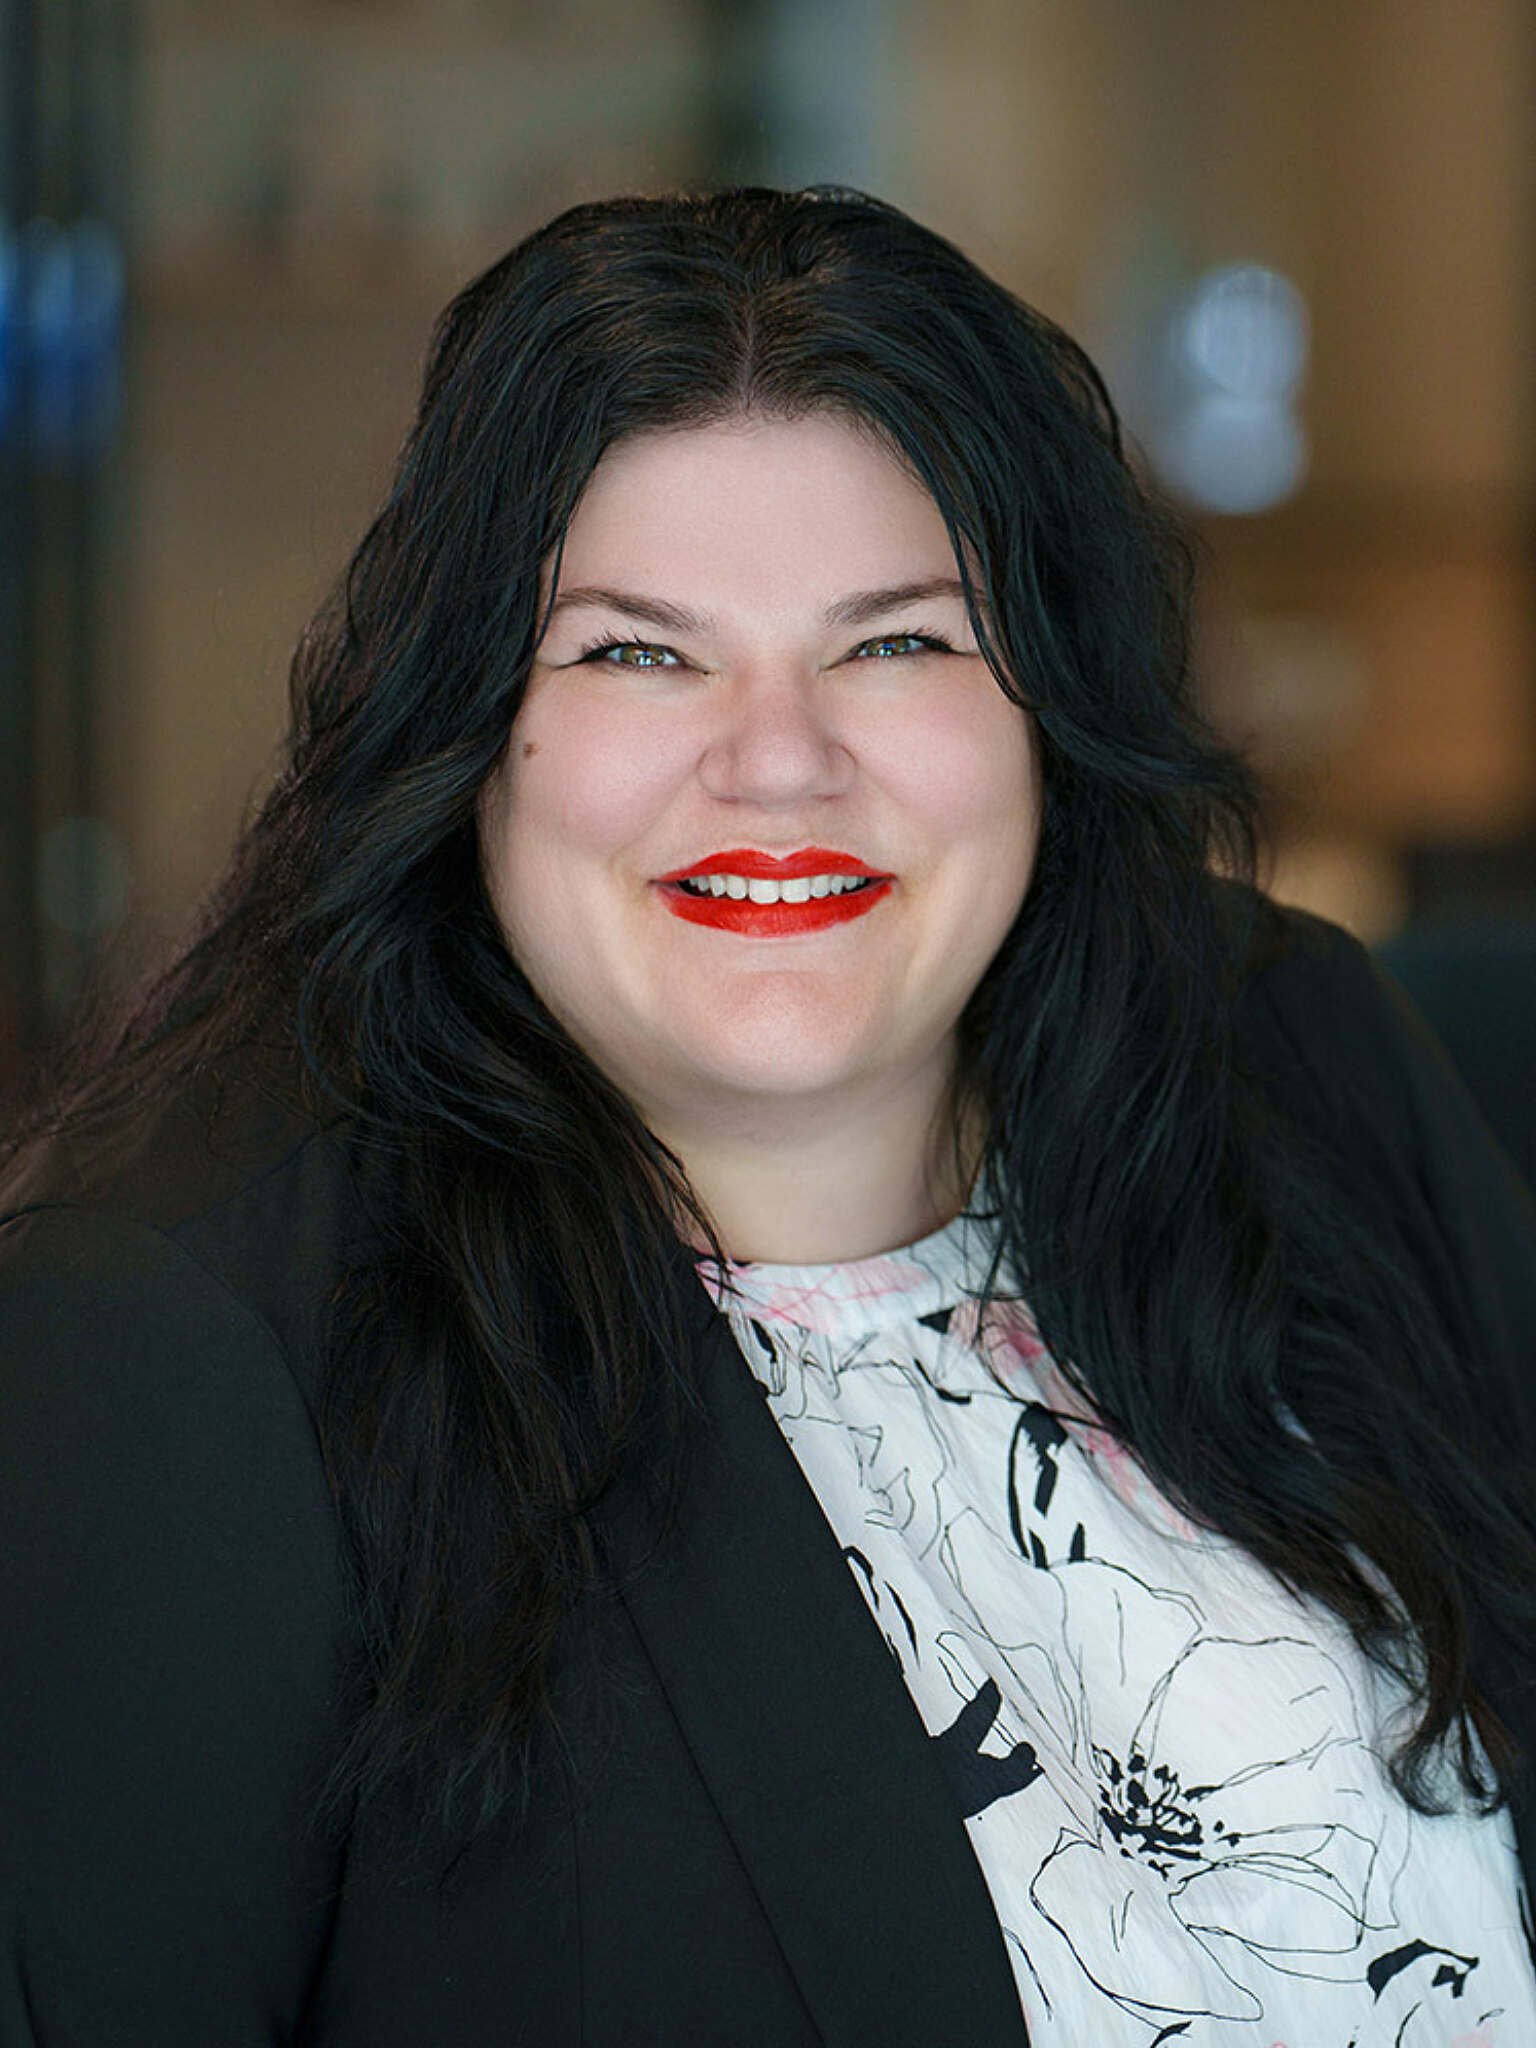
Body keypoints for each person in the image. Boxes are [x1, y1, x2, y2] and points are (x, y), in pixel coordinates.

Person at [2, 186, 1534, 2048]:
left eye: (898, 642)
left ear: (1051, 697)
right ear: (467, 723)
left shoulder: (1293, 1051)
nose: (781, 760)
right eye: (636, 651)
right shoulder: (174, 1344)